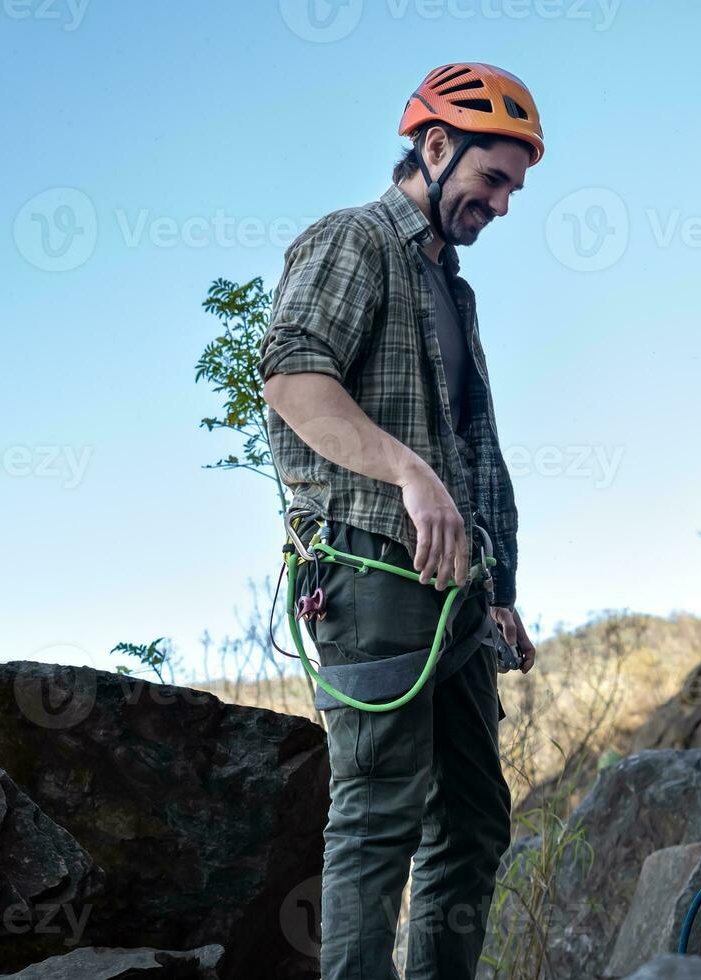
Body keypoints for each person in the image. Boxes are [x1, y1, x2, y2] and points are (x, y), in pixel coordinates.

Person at [258, 62, 542, 980]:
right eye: (491, 179)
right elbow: (295, 379)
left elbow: (470, 447)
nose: (501, 204)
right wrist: (404, 471)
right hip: (368, 570)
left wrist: (497, 590)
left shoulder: (453, 293)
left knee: (473, 818)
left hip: (455, 596)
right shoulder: (353, 241)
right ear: (433, 146)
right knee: (379, 810)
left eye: (514, 188)